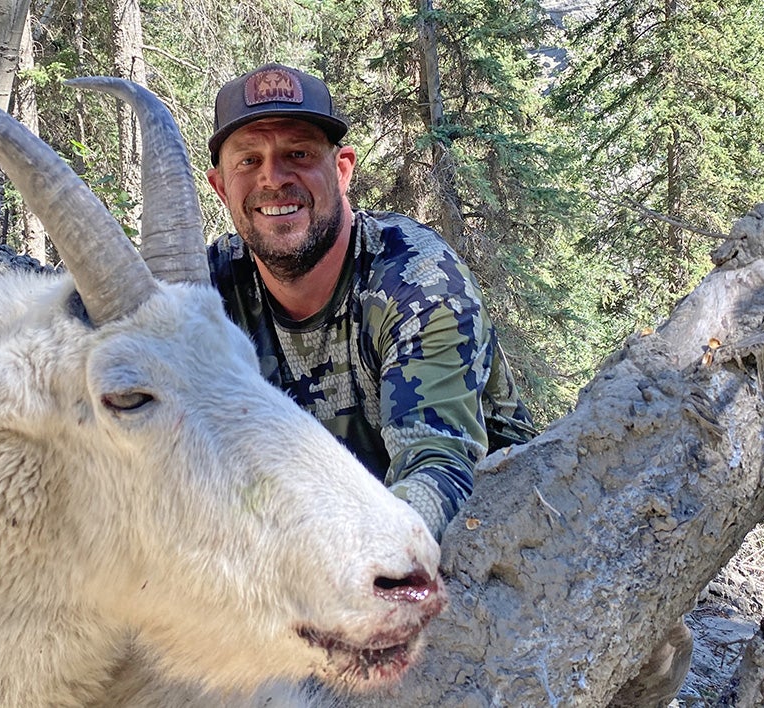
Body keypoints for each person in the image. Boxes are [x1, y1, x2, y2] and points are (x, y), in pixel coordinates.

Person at [204, 62, 537, 541]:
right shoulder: (209, 287)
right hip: (313, 531)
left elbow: (440, 472)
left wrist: (340, 561)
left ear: (342, 172)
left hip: (493, 538)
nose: (273, 179)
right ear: (221, 187)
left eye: (297, 153)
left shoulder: (417, 283)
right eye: (248, 161)